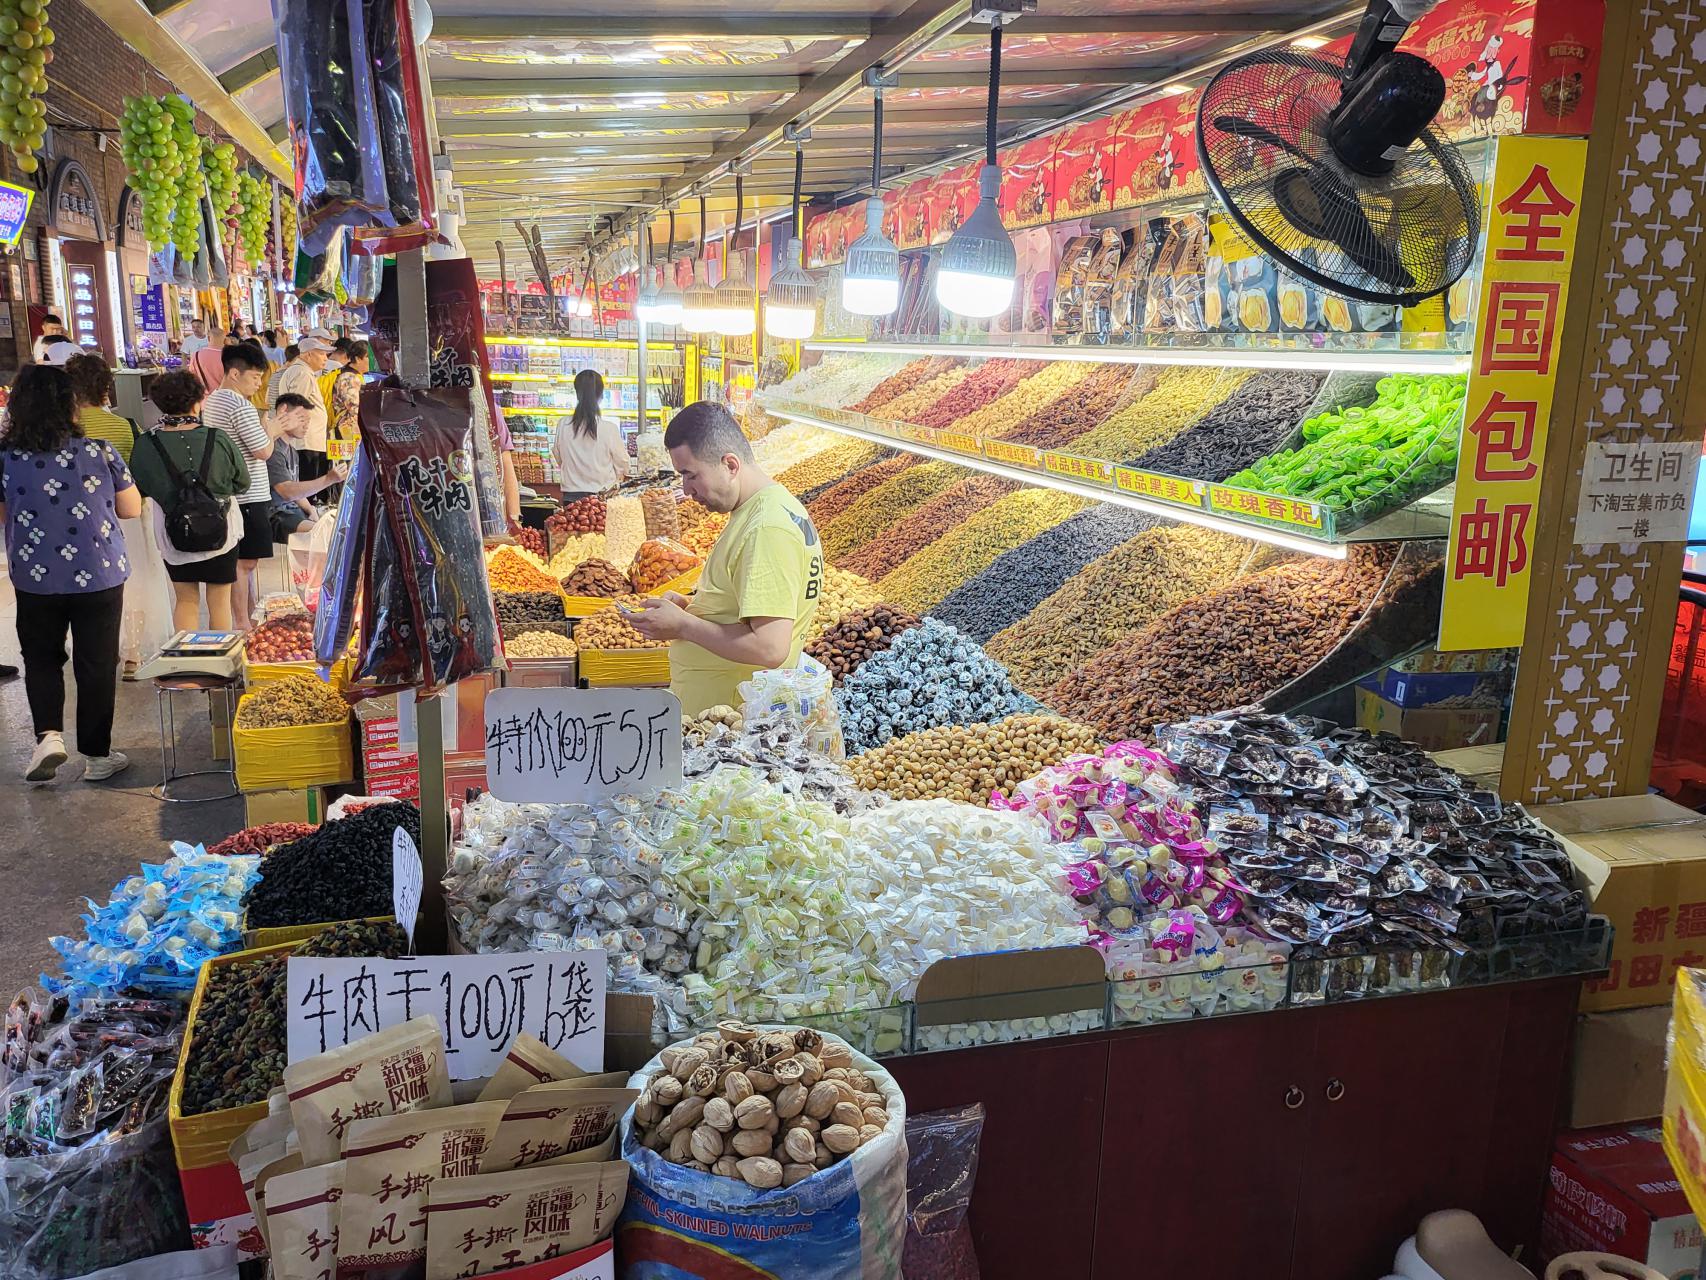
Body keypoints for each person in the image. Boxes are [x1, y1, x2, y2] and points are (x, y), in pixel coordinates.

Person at [627, 402, 823, 714]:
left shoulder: (766, 528)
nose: (686, 489)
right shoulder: (764, 508)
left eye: (690, 475)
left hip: (730, 723)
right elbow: (749, 611)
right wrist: (696, 610)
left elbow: (769, 647)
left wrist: (683, 626)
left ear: (730, 465)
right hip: (720, 717)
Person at [0, 364, 142, 781]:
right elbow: (131, 508)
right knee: (96, 661)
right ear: (71, 406)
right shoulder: (99, 451)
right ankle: (98, 756)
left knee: (41, 658)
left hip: (35, 577)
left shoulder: (5, 459)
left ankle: (48, 737)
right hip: (98, 573)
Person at [64, 354, 172, 678]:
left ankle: (97, 650)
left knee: (87, 589)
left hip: (76, 523)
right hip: (124, 518)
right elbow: (138, 474)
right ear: (105, 386)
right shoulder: (125, 426)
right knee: (135, 584)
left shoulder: (64, 431)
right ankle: (133, 656)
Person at [127, 370, 248, 632]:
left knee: (186, 600)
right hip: (221, 529)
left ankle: (188, 666)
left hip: (173, 531)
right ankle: (219, 668)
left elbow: (140, 487)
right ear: (198, 401)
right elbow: (242, 482)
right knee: (219, 602)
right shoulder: (218, 438)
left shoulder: (146, 443)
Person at [203, 344, 287, 630]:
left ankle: (247, 617)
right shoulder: (239, 405)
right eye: (254, 377)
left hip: (232, 493)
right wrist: (274, 429)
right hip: (249, 494)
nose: (258, 383)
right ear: (235, 373)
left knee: (243, 562)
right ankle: (242, 623)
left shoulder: (213, 400)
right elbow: (262, 450)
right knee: (244, 563)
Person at [267, 392, 347, 540]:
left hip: (291, 511)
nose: (306, 426)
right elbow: (287, 491)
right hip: (275, 514)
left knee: (334, 523)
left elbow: (296, 492)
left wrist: (311, 510)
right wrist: (329, 479)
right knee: (327, 534)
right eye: (302, 419)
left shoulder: (292, 452)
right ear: (283, 411)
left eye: (308, 421)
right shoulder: (272, 448)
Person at [551, 369, 629, 503]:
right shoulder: (609, 428)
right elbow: (623, 464)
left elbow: (559, 458)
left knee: (570, 524)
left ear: (577, 394)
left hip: (571, 497)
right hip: (603, 497)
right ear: (601, 395)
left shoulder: (563, 425)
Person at [274, 336, 334, 481]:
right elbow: (297, 405)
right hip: (306, 441)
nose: (325, 358)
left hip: (309, 439)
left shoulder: (302, 371)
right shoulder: (302, 373)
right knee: (309, 481)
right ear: (308, 355)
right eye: (321, 354)